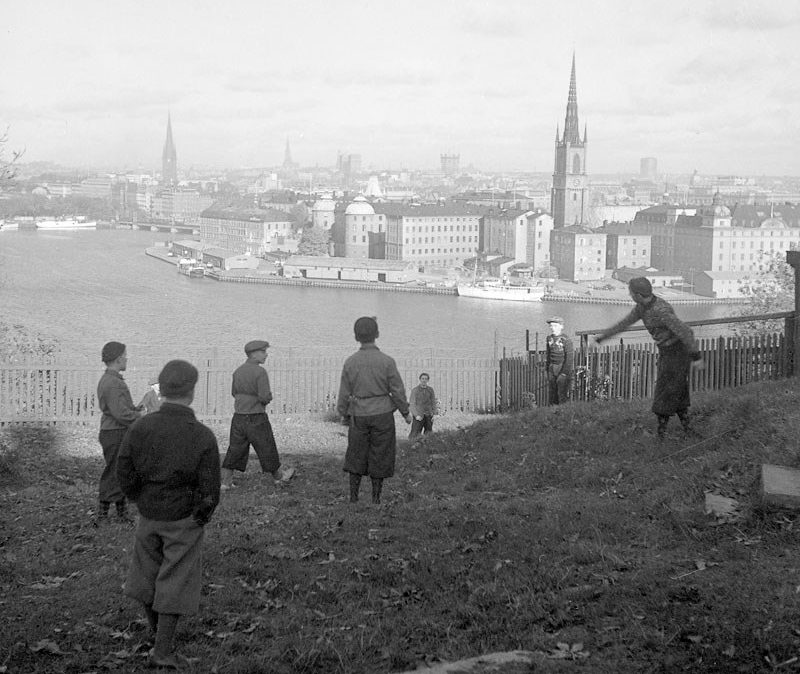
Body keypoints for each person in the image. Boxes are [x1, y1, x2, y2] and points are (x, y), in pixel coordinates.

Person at [117, 359, 221, 669]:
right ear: (191, 392)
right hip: (183, 518)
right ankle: (162, 649)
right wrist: (201, 515)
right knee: (175, 579)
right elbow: (210, 487)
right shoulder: (202, 435)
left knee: (146, 574)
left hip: (149, 513)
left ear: (161, 390)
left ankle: (156, 634)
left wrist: (139, 498)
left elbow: (124, 470)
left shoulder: (140, 426)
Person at [595, 277, 703, 439]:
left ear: (638, 294)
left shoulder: (661, 310)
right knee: (678, 390)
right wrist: (601, 338)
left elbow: (686, 332)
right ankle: (687, 430)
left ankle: (661, 435)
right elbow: (624, 323)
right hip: (667, 351)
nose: (629, 295)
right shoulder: (641, 307)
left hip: (677, 353)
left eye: (631, 292)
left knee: (664, 391)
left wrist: (696, 357)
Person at [337, 317, 412, 504]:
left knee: (356, 453)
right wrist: (405, 412)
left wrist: (343, 413)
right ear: (377, 334)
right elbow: (397, 391)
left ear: (356, 337)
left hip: (359, 414)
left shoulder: (350, 362)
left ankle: (353, 497)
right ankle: (376, 499)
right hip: (383, 414)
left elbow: (344, 392)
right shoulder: (387, 361)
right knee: (381, 453)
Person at [220, 340, 294, 490]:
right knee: (266, 447)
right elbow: (264, 396)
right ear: (254, 354)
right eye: (263, 352)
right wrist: (267, 399)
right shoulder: (260, 372)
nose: (266, 355)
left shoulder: (238, 371)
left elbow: (234, 392)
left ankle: (225, 482)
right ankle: (278, 477)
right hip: (256, 416)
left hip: (239, 416)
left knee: (235, 449)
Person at [96, 341, 141, 522]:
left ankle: (121, 515)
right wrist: (140, 416)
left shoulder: (111, 380)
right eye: (125, 355)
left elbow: (121, 409)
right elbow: (120, 414)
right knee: (114, 472)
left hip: (114, 431)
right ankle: (101, 517)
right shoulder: (113, 383)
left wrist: (136, 409)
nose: (126, 358)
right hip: (115, 432)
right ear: (117, 358)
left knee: (120, 470)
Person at [545, 316, 574, 405]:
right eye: (551, 326)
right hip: (552, 367)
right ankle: (552, 412)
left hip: (562, 367)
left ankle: (562, 413)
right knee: (552, 393)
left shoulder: (566, 340)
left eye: (555, 326)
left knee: (562, 393)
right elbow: (548, 355)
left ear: (561, 326)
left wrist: (564, 373)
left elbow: (569, 358)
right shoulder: (549, 339)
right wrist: (547, 370)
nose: (553, 328)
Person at [408, 372, 437, 440]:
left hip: (429, 415)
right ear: (420, 379)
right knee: (415, 434)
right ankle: (412, 447)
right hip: (419, 415)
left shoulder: (430, 390)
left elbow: (433, 402)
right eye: (422, 379)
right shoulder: (415, 390)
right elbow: (412, 404)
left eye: (426, 379)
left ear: (428, 380)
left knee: (429, 434)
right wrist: (416, 415)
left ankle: (426, 448)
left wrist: (434, 414)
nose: (424, 380)